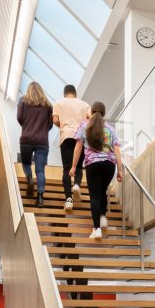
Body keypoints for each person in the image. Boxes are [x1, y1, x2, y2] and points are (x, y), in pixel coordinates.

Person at [69, 101, 122, 239]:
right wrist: (120, 171)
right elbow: (116, 149)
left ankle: (97, 229)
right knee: (102, 191)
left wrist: (74, 167)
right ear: (104, 114)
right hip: (109, 165)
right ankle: (103, 216)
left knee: (94, 196)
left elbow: (78, 148)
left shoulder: (84, 127)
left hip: (93, 164)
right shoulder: (110, 129)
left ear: (91, 112)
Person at [52, 84, 90, 211]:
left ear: (64, 93)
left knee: (67, 168)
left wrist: (63, 125)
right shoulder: (84, 105)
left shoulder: (58, 103)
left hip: (66, 136)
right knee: (78, 166)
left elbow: (55, 120)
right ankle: (77, 185)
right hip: (80, 137)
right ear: (75, 94)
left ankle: (68, 199)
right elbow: (91, 120)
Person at [17, 82, 53, 207]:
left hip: (26, 139)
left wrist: (27, 127)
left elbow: (19, 117)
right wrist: (41, 131)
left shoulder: (23, 101)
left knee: (26, 163)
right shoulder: (48, 105)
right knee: (40, 170)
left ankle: (29, 178)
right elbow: (50, 124)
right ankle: (40, 198)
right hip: (42, 141)